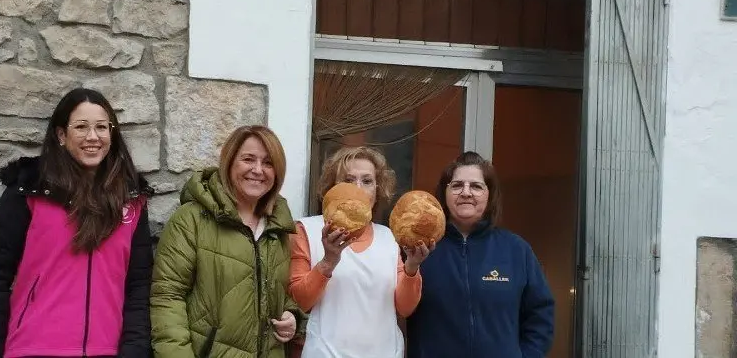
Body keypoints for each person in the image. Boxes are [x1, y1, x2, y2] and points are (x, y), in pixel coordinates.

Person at [0, 88, 152, 358]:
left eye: (102, 127)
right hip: (32, 348)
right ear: (61, 135)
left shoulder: (132, 201)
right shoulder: (28, 192)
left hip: (107, 351)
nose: (93, 136)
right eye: (81, 127)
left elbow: (138, 288)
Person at [151, 125, 303, 358]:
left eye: (268, 163)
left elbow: (276, 293)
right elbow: (168, 297)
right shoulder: (192, 219)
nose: (258, 170)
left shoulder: (278, 227)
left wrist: (291, 317)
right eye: (248, 159)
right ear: (230, 162)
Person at [405, 151, 554, 358]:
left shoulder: (516, 250)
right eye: (457, 185)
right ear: (444, 193)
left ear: (489, 194)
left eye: (476, 186)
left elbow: (540, 315)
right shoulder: (420, 250)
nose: (466, 193)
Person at [288, 146, 432, 358]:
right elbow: (299, 302)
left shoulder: (389, 237)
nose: (358, 188)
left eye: (367, 181)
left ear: (377, 189)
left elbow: (404, 308)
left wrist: (412, 267)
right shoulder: (306, 230)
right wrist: (328, 261)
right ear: (332, 187)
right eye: (348, 180)